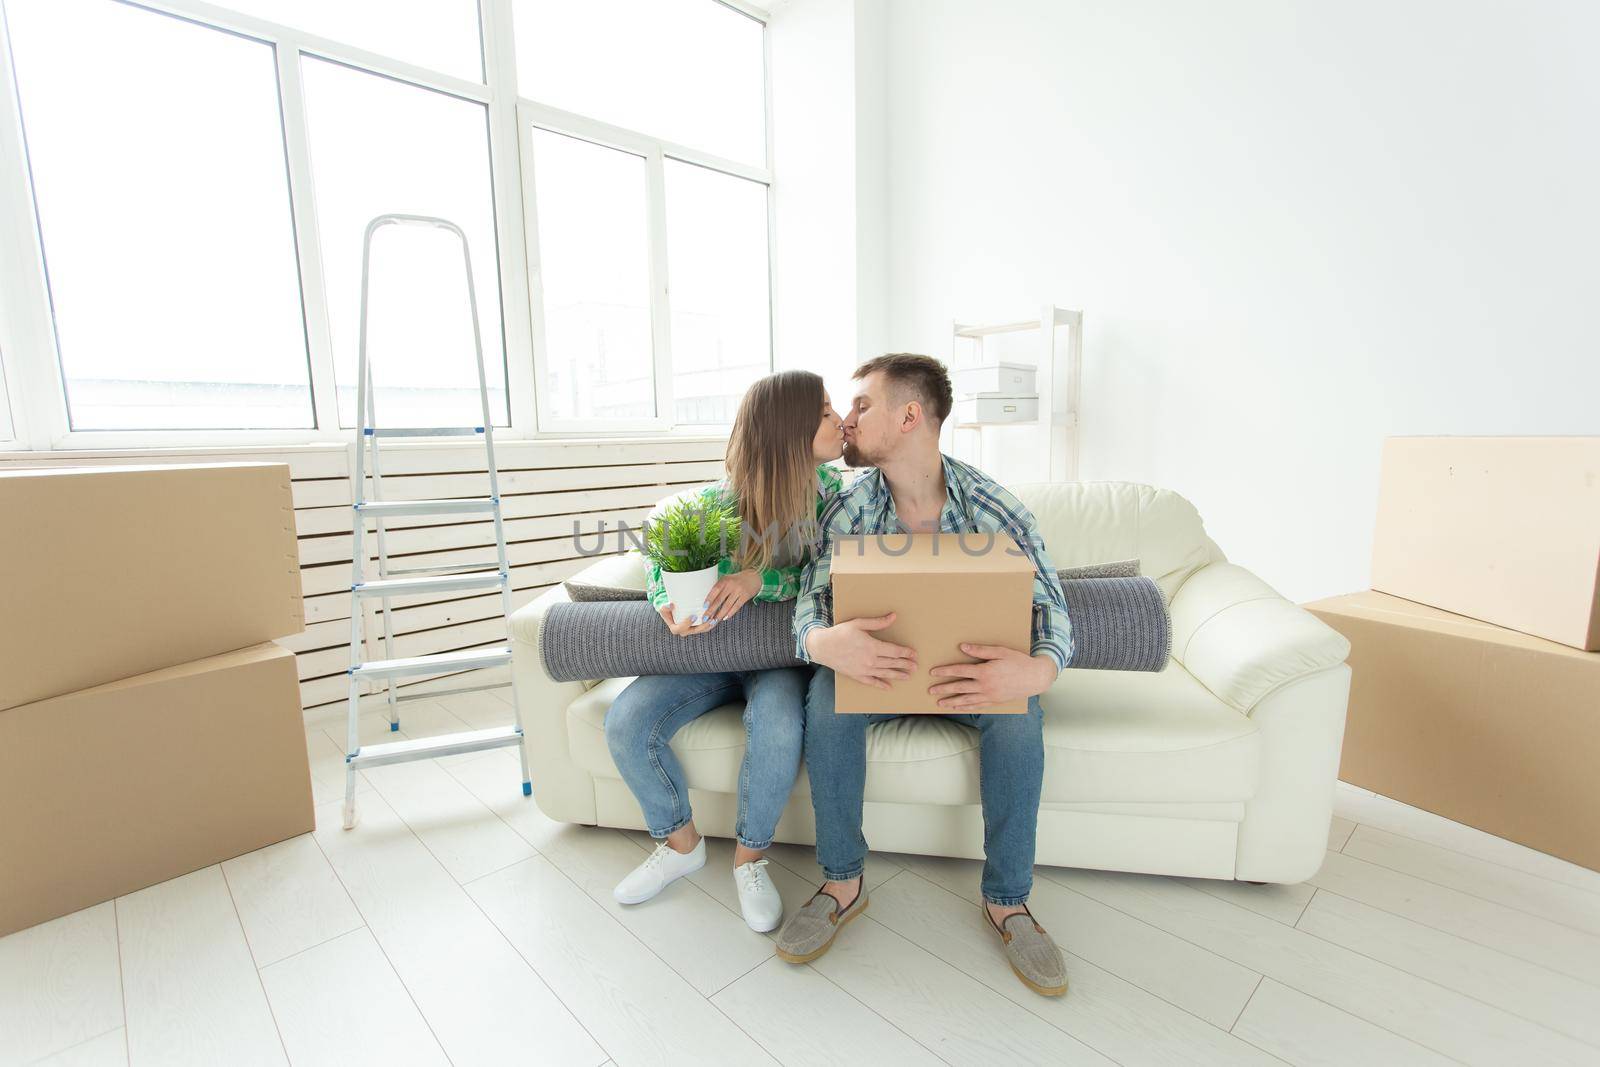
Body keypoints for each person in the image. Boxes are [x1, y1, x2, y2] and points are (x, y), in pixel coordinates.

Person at [773, 353, 1074, 997]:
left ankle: (1009, 903)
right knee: (826, 695)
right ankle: (842, 884)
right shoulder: (846, 513)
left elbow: (1052, 609)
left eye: (861, 406)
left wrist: (1038, 671)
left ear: (910, 417)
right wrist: (823, 642)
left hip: (972, 679)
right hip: (880, 675)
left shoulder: (995, 507)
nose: (846, 420)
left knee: (1022, 714)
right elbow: (808, 606)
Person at [604, 370, 846, 932]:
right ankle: (681, 844)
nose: (840, 422)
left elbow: (826, 582)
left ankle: (749, 860)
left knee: (780, 725)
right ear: (790, 431)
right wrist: (665, 596)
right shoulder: (722, 501)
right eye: (826, 411)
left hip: (780, 661)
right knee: (626, 722)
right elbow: (661, 531)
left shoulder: (836, 497)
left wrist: (758, 580)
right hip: (707, 657)